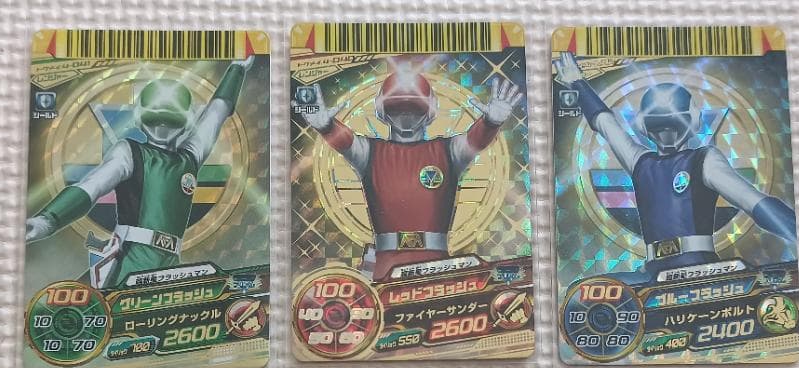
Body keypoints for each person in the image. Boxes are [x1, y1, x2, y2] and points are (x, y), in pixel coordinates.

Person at [556, 51, 796, 283]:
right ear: (645, 126)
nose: (667, 133)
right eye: (659, 123)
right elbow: (606, 124)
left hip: (698, 270)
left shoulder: (703, 160)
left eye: (673, 122)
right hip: (654, 273)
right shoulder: (642, 162)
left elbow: (753, 201)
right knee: (588, 295)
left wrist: (797, 233)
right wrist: (578, 83)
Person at [26, 57, 254, 289]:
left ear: (185, 122)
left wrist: (237, 69)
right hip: (130, 260)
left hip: (169, 264)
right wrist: (49, 219)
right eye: (154, 118)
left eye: (171, 119)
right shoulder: (130, 153)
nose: (162, 127)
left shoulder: (189, 158)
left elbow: (216, 112)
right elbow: (91, 187)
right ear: (141, 120)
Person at [300, 65, 523, 281]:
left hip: (435, 265)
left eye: (414, 110)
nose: (406, 117)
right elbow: (345, 142)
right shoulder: (370, 151)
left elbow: (474, 141)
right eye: (397, 110)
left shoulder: (448, 150)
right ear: (383, 111)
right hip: (385, 265)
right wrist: (326, 126)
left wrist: (490, 122)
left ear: (429, 111)